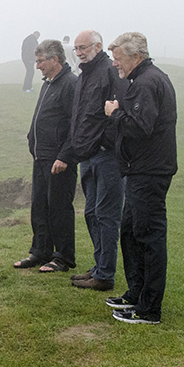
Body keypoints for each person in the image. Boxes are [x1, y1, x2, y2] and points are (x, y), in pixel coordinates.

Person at [104, 32, 178, 324]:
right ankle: (136, 294)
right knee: (131, 232)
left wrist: (115, 113)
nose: (114, 64)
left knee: (148, 236)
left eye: (118, 58)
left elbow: (141, 127)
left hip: (149, 172)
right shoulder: (144, 80)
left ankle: (149, 309)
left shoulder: (147, 82)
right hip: (140, 170)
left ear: (136, 56)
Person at [68, 30, 127, 291]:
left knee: (106, 215)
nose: (79, 52)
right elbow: (81, 115)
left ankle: (105, 274)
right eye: (77, 48)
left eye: (84, 47)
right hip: (89, 155)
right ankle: (98, 266)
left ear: (98, 46)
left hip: (107, 155)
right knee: (91, 213)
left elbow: (118, 110)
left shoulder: (109, 71)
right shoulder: (84, 75)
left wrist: (106, 141)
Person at [13, 39, 79, 273]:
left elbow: (75, 125)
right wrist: (33, 139)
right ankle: (41, 251)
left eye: (41, 61)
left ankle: (63, 257)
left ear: (55, 59)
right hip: (41, 156)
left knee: (59, 207)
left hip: (59, 160)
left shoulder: (70, 84)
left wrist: (64, 156)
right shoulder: (49, 83)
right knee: (39, 205)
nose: (37, 65)